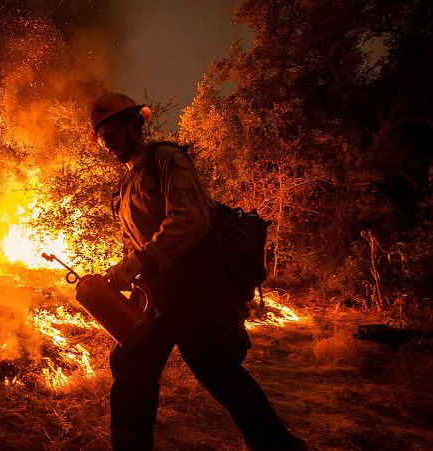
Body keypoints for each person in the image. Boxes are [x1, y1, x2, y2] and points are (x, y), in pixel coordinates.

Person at [88, 92, 306, 450]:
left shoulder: (165, 158)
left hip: (198, 291)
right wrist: (126, 270)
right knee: (131, 370)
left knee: (221, 375)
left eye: (112, 133)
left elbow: (190, 218)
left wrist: (139, 261)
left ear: (132, 125)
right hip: (158, 295)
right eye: (101, 139)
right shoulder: (125, 185)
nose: (108, 144)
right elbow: (137, 242)